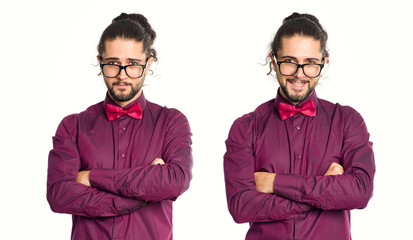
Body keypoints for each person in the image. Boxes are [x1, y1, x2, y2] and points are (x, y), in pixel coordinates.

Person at [223, 12, 375, 240]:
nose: (299, 74)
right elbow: (240, 207)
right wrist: (325, 191)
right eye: (289, 62)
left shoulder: (348, 121)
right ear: (273, 61)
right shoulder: (245, 128)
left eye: (310, 64)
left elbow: (360, 192)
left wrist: (274, 183)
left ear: (324, 61)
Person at [47, 13, 192, 240]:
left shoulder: (171, 122)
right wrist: (139, 196)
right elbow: (59, 195)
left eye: (132, 65)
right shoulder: (72, 126)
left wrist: (92, 177)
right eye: (113, 64)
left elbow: (176, 180)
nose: (122, 76)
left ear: (148, 64)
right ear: (100, 61)